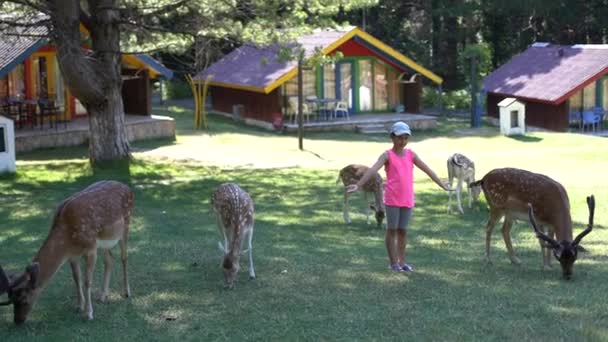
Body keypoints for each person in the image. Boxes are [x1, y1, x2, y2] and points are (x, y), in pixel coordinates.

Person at [346, 121, 451, 272]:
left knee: (403, 231)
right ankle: (393, 263)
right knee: (392, 230)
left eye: (405, 138)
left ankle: (402, 262)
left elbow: (427, 169)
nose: (402, 141)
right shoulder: (387, 155)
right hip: (392, 199)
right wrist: (359, 184)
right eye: (399, 137)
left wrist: (442, 184)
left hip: (407, 198)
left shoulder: (411, 155)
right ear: (392, 138)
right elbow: (373, 170)